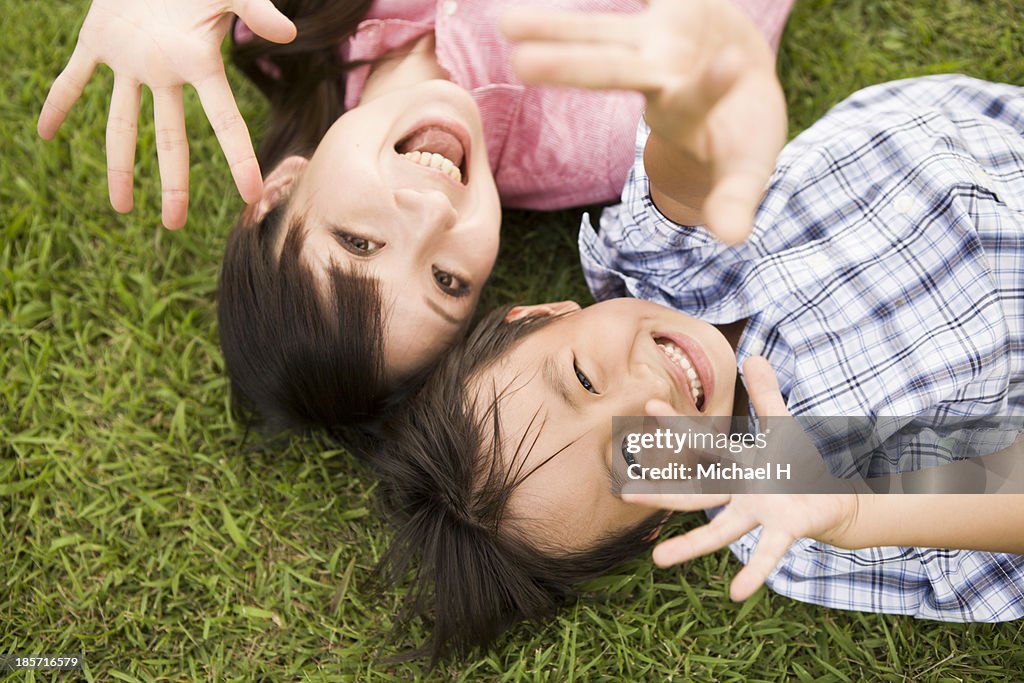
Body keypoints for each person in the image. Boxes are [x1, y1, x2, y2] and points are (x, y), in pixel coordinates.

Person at [370, 20, 1024, 658]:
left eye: (584, 378)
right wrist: (862, 511)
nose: (649, 392)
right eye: (631, 456)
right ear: (657, 518)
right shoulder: (799, 492)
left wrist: (693, 106)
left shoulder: (660, 267)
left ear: (540, 314)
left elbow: (683, 172)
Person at [36, 0, 791, 434]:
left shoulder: (276, 22)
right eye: (447, 279)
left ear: (278, 192)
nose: (432, 211)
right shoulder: (593, 138)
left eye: (357, 240)